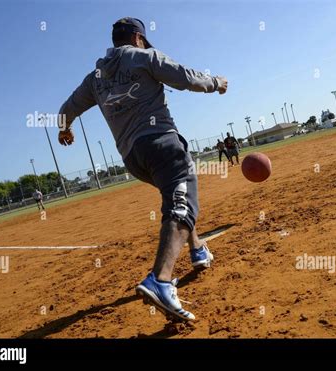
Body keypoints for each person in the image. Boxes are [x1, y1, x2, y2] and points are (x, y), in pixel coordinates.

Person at [57, 17, 227, 321]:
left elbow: (67, 108)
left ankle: (198, 250)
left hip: (133, 158)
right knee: (182, 202)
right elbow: (186, 78)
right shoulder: (146, 57)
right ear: (138, 37)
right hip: (161, 144)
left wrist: (64, 129)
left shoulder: (94, 77)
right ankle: (160, 280)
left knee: (174, 195)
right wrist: (216, 83)